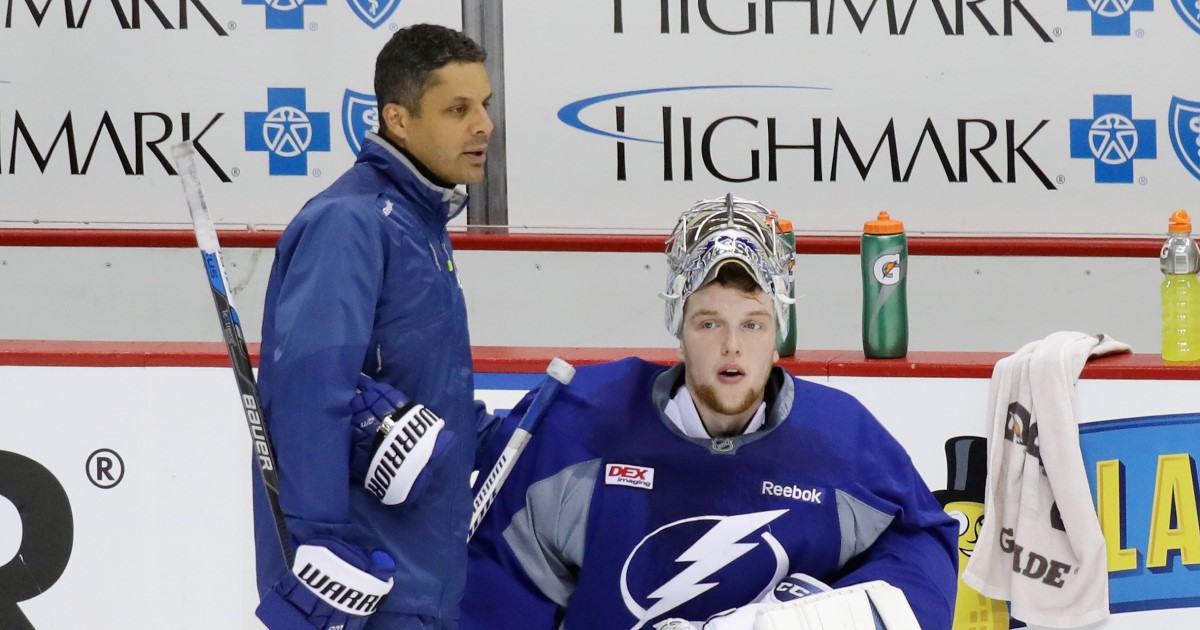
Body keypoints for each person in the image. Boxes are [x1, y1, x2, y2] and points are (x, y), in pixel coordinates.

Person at [462, 195, 959, 629]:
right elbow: (501, 586)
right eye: (708, 323)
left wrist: (805, 621)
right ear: (677, 328)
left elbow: (923, 544)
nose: (732, 347)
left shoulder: (844, 441)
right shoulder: (581, 425)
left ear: (778, 334)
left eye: (754, 325)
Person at [251, 23, 495, 630]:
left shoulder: (419, 222)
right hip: (366, 592)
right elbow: (308, 397)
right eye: (458, 109)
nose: (483, 125)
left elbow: (419, 385)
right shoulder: (351, 223)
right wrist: (317, 552)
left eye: (485, 105)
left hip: (422, 584)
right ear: (399, 119)